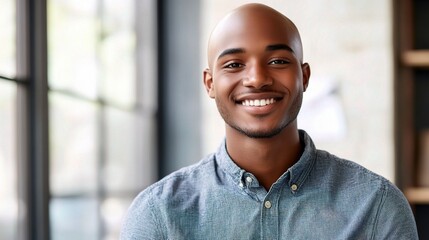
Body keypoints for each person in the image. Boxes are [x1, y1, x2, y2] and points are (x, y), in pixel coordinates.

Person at [121, 3, 418, 239]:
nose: (258, 79)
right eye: (234, 64)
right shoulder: (158, 214)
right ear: (210, 84)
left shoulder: (376, 205)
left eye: (277, 61)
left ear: (304, 76)